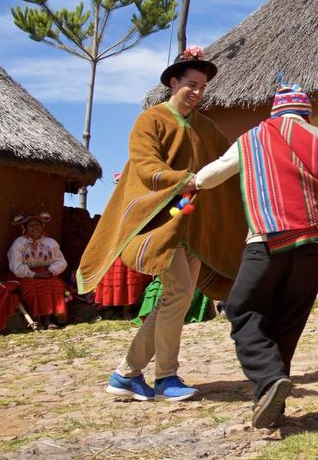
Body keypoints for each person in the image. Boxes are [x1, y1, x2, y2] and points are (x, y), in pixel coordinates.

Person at [192, 79, 318, 428]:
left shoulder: (251, 139)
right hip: (314, 245)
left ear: (275, 111)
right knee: (288, 322)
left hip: (266, 242)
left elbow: (209, 177)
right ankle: (271, 403)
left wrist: (188, 184)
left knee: (242, 309)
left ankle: (268, 380)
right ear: (306, 112)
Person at [78, 47, 246, 403]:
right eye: (191, 84)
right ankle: (165, 376)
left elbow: (228, 160)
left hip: (194, 227)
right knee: (179, 293)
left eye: (202, 86)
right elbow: (145, 165)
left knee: (176, 298)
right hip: (159, 223)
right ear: (173, 82)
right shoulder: (151, 120)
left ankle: (126, 373)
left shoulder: (207, 128)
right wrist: (181, 179)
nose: (198, 92)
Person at [7, 212, 69, 329]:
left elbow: (61, 261)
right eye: (31, 225)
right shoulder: (19, 243)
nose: (35, 228)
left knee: (56, 284)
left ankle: (51, 318)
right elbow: (16, 266)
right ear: (24, 228)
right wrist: (34, 274)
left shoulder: (50, 243)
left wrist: (51, 271)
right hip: (25, 275)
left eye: (37, 225)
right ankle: (39, 318)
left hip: (47, 272)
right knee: (35, 287)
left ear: (42, 227)